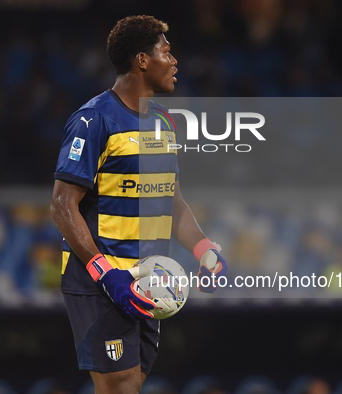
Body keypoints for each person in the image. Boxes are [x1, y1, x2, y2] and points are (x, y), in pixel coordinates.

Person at [50, 15, 227, 394]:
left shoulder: (164, 122)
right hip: (102, 280)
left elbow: (172, 201)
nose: (175, 60)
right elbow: (62, 205)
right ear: (142, 61)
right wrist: (107, 274)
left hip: (149, 280)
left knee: (131, 386)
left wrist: (203, 248)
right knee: (123, 386)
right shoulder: (94, 120)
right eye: (166, 51)